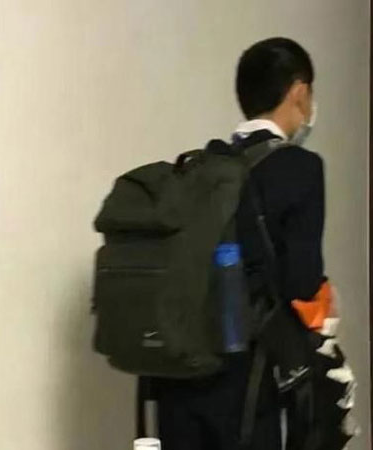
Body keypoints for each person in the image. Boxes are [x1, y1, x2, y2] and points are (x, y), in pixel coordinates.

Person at [156, 37, 326, 450]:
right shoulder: (301, 167)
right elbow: (301, 283)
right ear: (299, 92)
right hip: (247, 382)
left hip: (179, 377)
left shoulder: (200, 167)